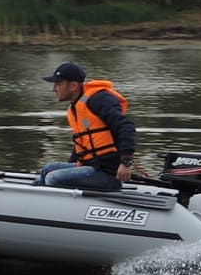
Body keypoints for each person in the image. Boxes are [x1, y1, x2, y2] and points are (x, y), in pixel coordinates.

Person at [37, 62, 136, 190]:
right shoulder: (77, 106)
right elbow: (83, 142)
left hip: (108, 173)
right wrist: (71, 170)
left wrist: (126, 163)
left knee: (53, 178)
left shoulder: (98, 99)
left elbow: (126, 127)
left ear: (73, 86)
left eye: (58, 84)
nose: (54, 89)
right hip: (91, 166)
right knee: (47, 169)